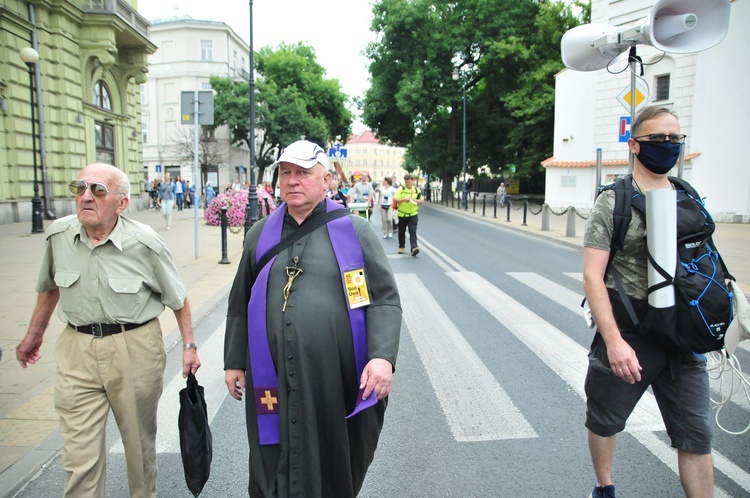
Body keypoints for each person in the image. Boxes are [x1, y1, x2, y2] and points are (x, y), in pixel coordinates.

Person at [224, 139, 401, 497]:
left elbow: (382, 300)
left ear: (325, 181)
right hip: (269, 372)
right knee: (271, 458)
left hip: (333, 376)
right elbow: (240, 301)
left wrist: (382, 357)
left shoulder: (355, 231)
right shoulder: (259, 235)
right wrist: (233, 362)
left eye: (303, 173)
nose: (292, 181)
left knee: (333, 456)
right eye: (286, 173)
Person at [15, 163, 201, 497]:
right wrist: (34, 334)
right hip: (77, 349)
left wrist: (189, 346)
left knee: (138, 448)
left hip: (134, 348)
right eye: (80, 188)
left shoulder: (145, 242)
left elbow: (178, 298)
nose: (85, 197)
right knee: (78, 456)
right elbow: (49, 288)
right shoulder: (59, 235)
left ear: (121, 203)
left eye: (98, 191)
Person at [582, 107, 713, 498]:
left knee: (696, 435)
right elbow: (593, 275)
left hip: (682, 334)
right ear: (635, 145)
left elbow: (703, 263)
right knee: (605, 419)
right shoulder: (614, 201)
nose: (669, 146)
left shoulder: (686, 195)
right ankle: (604, 487)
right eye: (659, 140)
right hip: (631, 329)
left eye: (676, 139)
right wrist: (614, 341)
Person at [393, 173, 423, 256]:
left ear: (412, 181)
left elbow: (421, 201)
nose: (407, 184)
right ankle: (401, 247)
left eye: (409, 182)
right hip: (402, 214)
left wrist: (414, 200)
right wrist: (403, 200)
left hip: (413, 214)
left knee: (412, 231)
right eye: (406, 182)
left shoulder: (417, 190)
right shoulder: (400, 189)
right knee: (401, 232)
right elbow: (395, 199)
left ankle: (414, 248)